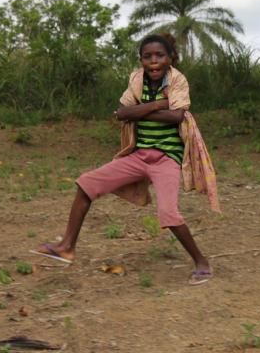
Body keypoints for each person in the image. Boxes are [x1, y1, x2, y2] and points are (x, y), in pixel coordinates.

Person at [33, 34, 219, 285]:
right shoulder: (136, 79)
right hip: (139, 156)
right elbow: (121, 113)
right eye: (147, 56)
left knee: (168, 213)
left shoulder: (177, 80)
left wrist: (138, 112)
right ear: (141, 60)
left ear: (170, 58)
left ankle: (201, 261)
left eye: (160, 55)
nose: (154, 61)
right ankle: (66, 247)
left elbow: (176, 116)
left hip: (167, 158)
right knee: (86, 184)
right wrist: (157, 105)